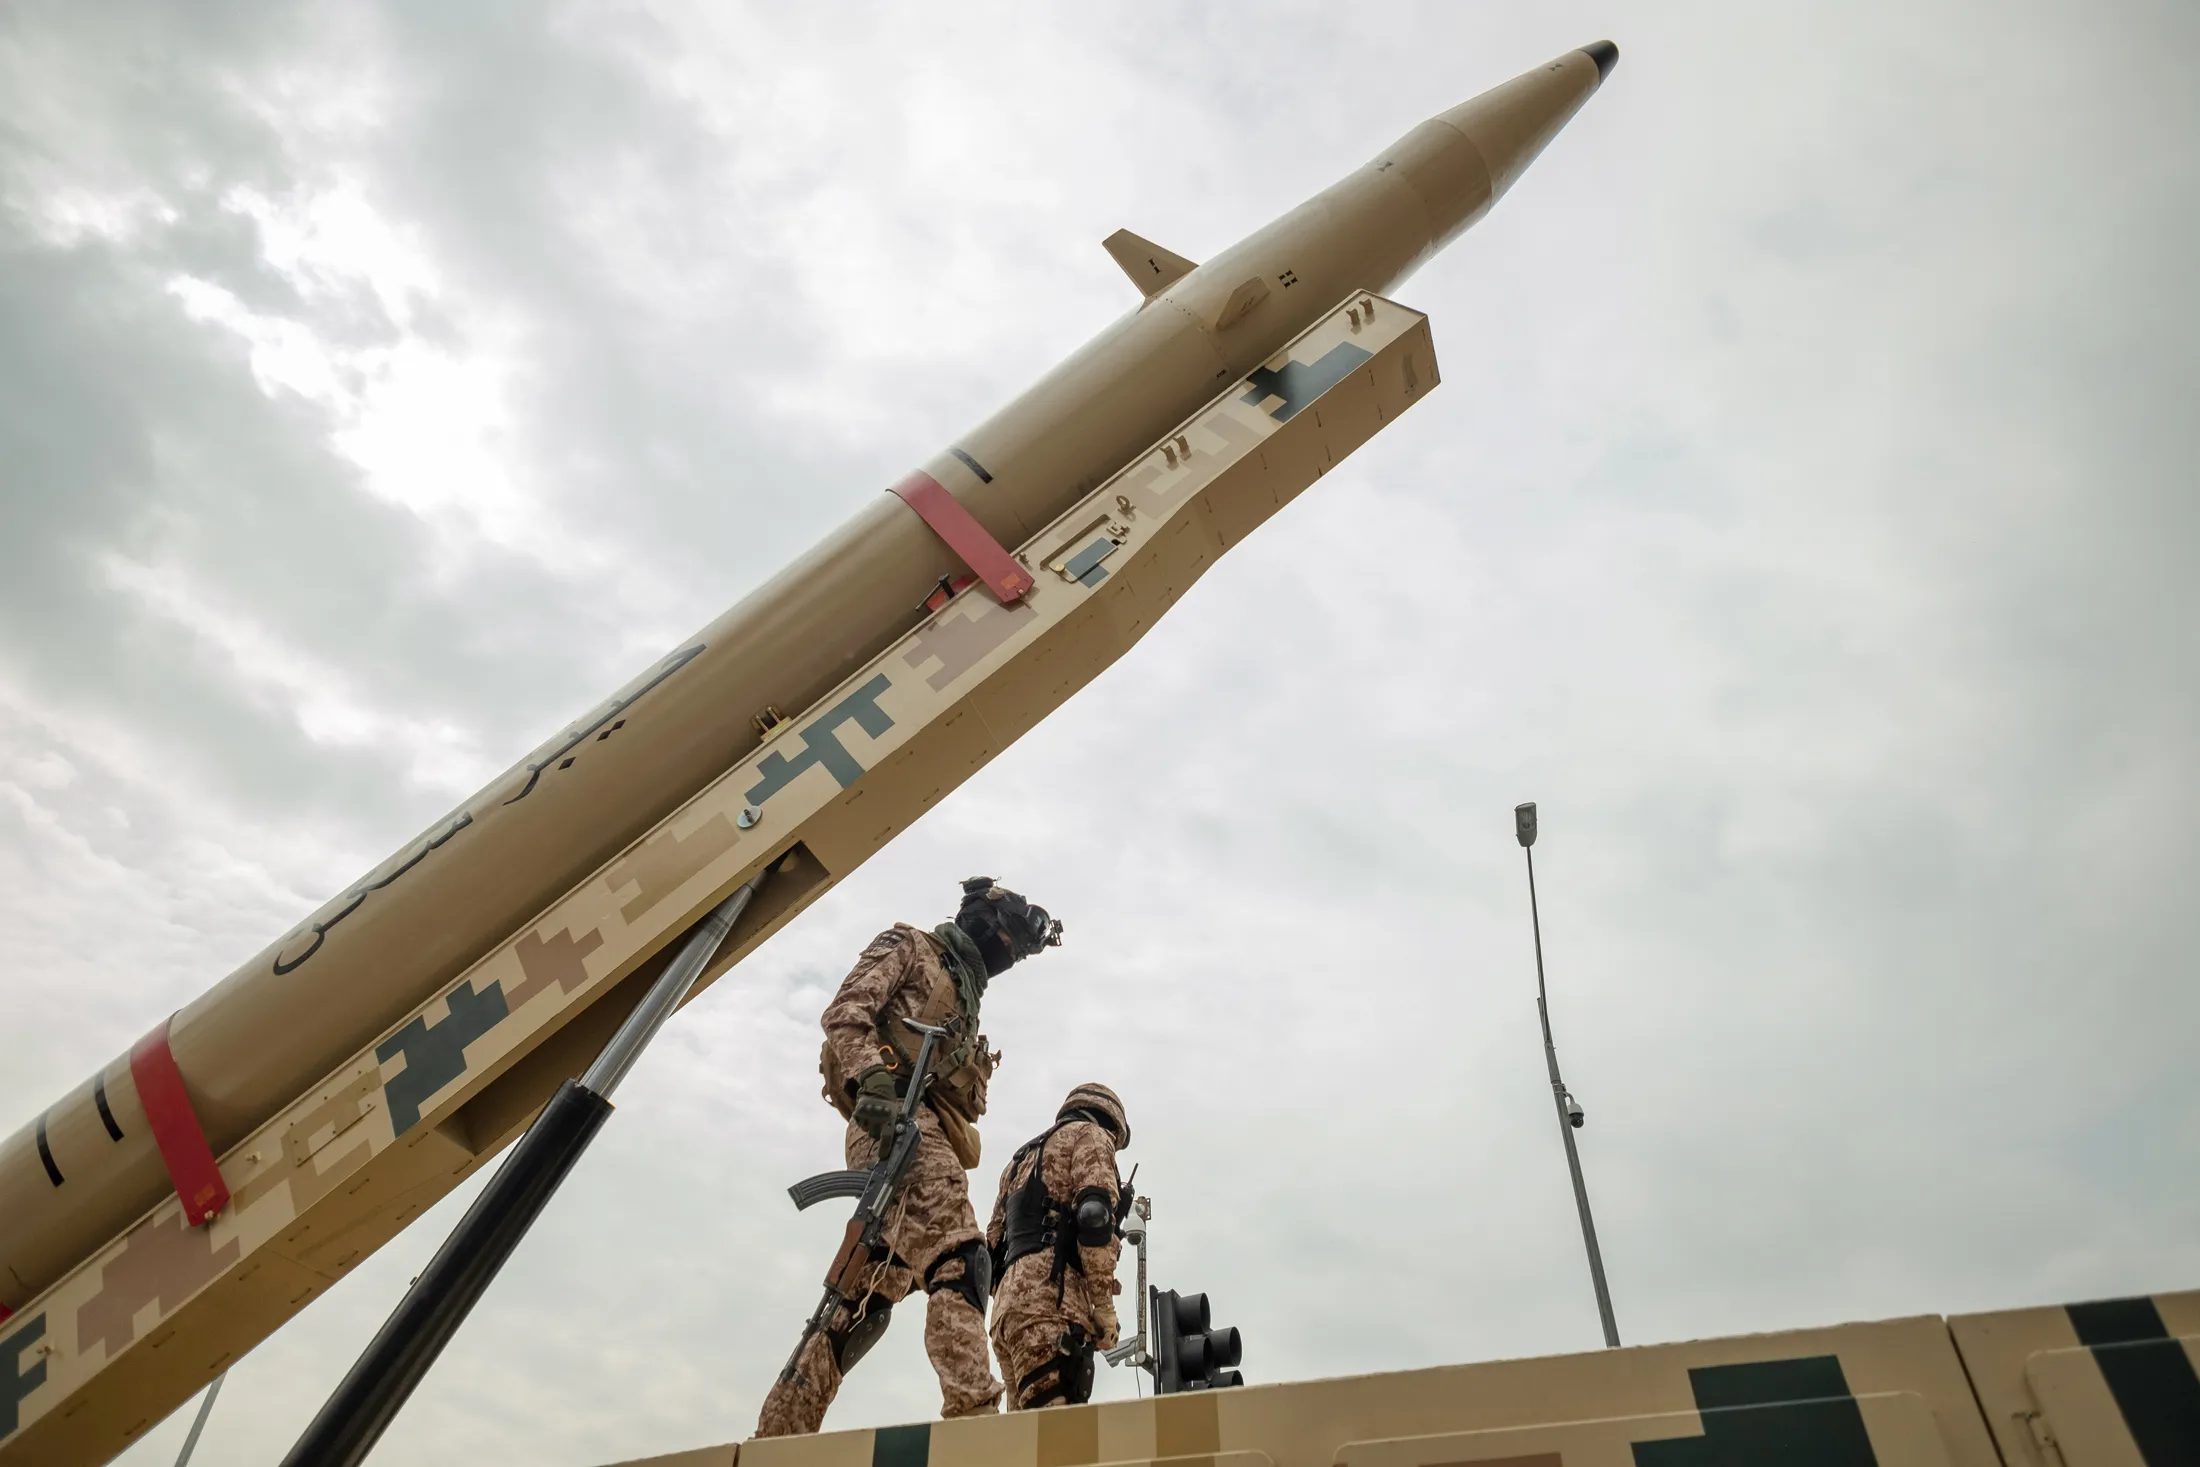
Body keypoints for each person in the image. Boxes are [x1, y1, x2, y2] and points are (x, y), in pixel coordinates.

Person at [754, 877, 1063, 1438]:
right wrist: (872, 1079)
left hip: (922, 1130)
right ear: (981, 923)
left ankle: (780, 1433)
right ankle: (973, 1413)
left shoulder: (964, 993)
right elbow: (846, 1010)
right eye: (1008, 944)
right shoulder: (911, 947)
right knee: (961, 1258)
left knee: (860, 1303)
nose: (1009, 958)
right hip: (896, 1125)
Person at [986, 1083, 1133, 1410]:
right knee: (1056, 1429)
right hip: (1051, 1305)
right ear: (1112, 1126)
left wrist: (1018, 1295)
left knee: (1024, 1434)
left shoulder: (1018, 1161)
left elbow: (991, 1247)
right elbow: (1094, 1218)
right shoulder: (1091, 1136)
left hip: (1006, 1313)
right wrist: (1103, 1307)